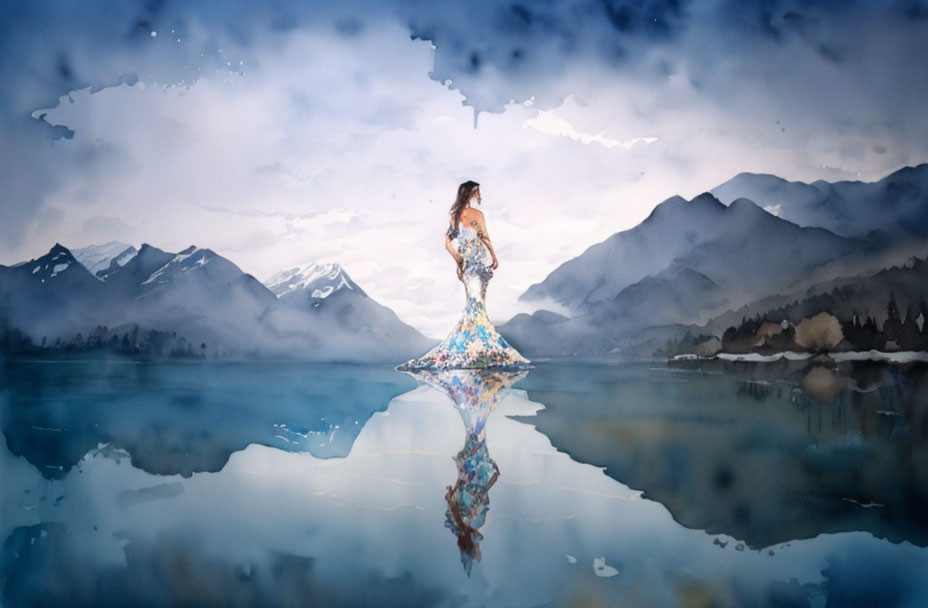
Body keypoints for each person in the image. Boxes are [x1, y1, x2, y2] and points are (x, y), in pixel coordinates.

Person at [397, 181, 530, 370]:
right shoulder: (455, 216)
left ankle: (479, 348)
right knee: (473, 305)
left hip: (481, 262)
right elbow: (448, 243)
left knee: (479, 305)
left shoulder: (473, 215)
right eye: (476, 192)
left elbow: (483, 236)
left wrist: (492, 256)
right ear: (469, 193)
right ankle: (472, 349)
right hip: (469, 264)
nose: (478, 196)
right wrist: (459, 260)